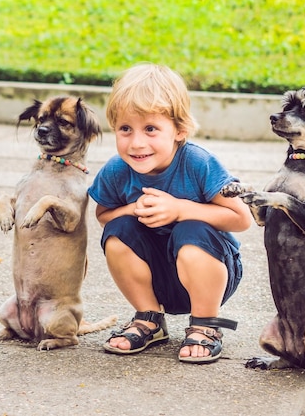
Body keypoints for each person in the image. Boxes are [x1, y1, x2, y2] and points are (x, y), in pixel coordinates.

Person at [87, 63, 252, 363]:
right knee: (118, 231)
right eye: (125, 129)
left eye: (150, 129)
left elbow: (241, 218)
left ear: (179, 130)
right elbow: (103, 216)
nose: (136, 143)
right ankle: (149, 317)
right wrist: (132, 210)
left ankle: (205, 324)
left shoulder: (198, 163)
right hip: (157, 275)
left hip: (208, 272)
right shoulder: (116, 170)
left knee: (191, 230)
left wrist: (180, 209)